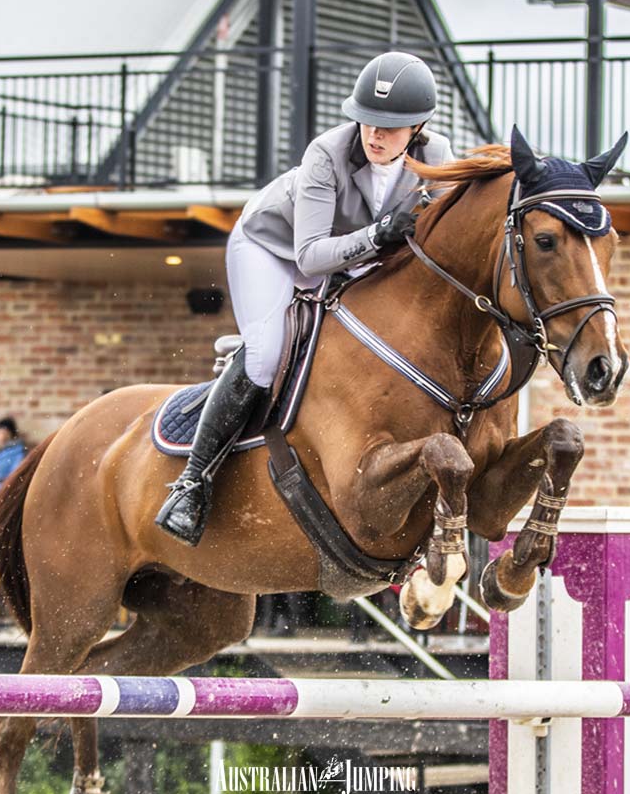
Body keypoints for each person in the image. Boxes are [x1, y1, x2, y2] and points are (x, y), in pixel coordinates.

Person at [154, 51, 455, 545]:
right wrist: (381, 234)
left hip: (352, 255)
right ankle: (192, 482)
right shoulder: (326, 153)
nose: (374, 135)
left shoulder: (437, 156)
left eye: (389, 127)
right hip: (274, 249)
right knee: (269, 352)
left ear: (419, 126)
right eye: (367, 122)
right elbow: (312, 258)